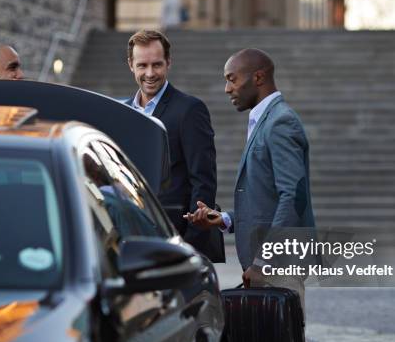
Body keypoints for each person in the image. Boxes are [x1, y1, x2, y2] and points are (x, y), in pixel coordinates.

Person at [185, 48, 315, 301]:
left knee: (280, 341)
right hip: (268, 264)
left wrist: (264, 262)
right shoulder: (265, 120)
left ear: (258, 78)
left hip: (278, 265)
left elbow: (293, 198)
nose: (227, 88)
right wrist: (224, 219)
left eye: (232, 79)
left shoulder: (280, 122)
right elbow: (267, 199)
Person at [126, 30, 221, 262]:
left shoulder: (190, 110)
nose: (150, 73)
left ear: (168, 62)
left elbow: (203, 181)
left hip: (177, 242)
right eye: (142, 65)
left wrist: (189, 247)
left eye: (157, 65)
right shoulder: (123, 112)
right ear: (131, 65)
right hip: (133, 241)